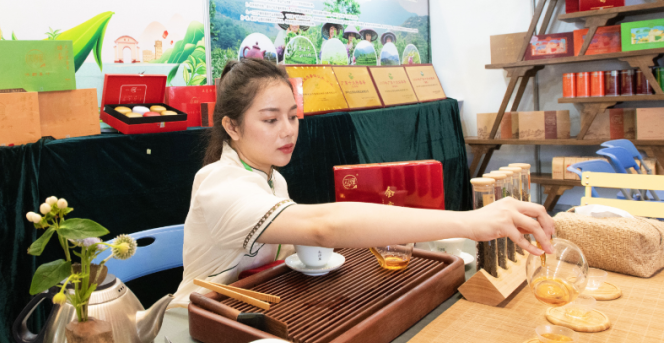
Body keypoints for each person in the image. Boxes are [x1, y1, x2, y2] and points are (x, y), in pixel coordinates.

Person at [172, 59, 554, 306]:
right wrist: (470, 221)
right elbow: (322, 227)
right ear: (232, 126)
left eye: (293, 116)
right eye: (271, 120)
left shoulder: (274, 179)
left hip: (247, 306)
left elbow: (307, 238)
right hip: (195, 320)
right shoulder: (220, 183)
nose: (288, 130)